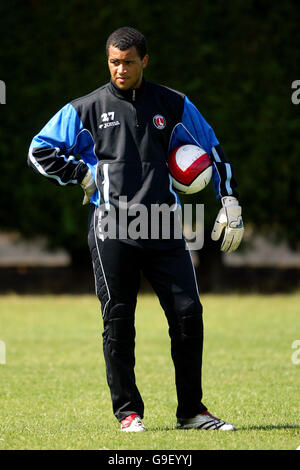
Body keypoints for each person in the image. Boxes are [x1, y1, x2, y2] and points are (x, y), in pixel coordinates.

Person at [28, 27, 244, 432]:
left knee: (188, 314)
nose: (120, 69)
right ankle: (128, 413)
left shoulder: (174, 104)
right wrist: (81, 175)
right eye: (113, 62)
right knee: (118, 320)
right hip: (112, 228)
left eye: (128, 62)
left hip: (164, 226)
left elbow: (212, 148)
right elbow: (39, 149)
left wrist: (228, 199)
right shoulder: (88, 107)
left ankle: (192, 412)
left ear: (144, 60)